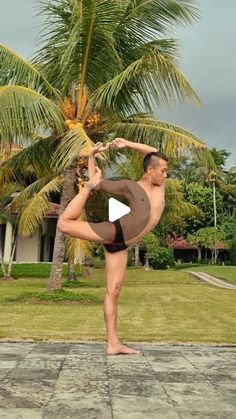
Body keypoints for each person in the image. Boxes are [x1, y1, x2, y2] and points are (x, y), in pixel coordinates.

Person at [58, 138, 168, 355]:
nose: (166, 175)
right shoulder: (130, 186)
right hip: (114, 231)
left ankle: (113, 343)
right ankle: (83, 191)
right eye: (163, 171)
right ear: (150, 170)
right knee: (64, 224)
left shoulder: (160, 184)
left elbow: (154, 151)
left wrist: (127, 143)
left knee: (114, 291)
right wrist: (91, 158)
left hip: (122, 244)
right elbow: (99, 183)